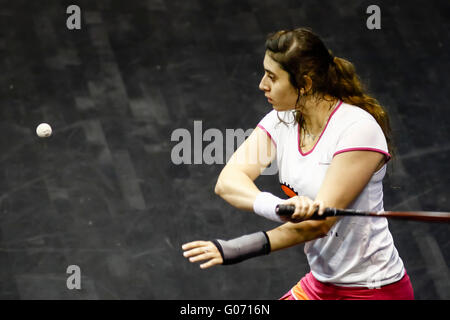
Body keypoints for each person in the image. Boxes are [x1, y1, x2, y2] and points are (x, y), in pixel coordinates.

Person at [181, 27, 414, 300]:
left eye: (272, 77)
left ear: (304, 84)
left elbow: (319, 224)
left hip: (374, 290)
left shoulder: (357, 130)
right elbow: (229, 181)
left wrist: (239, 247)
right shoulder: (282, 120)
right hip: (321, 284)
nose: (262, 85)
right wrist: (278, 207)